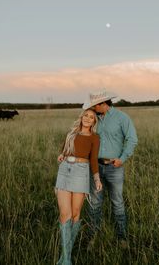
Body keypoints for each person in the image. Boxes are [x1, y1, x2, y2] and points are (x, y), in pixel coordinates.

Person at [83, 90, 138, 248]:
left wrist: (122, 158)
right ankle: (93, 237)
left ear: (103, 104)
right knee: (94, 203)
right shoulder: (94, 119)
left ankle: (122, 238)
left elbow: (132, 139)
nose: (92, 109)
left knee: (117, 203)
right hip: (95, 167)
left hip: (114, 168)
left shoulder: (122, 118)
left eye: (95, 106)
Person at [54, 108, 102, 265]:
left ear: (94, 121)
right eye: (86, 116)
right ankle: (67, 260)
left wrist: (96, 179)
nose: (88, 118)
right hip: (65, 171)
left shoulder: (95, 138)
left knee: (75, 215)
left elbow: (93, 159)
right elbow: (64, 150)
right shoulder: (71, 133)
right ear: (81, 118)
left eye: (91, 117)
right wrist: (62, 154)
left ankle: (64, 257)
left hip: (81, 173)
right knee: (64, 215)